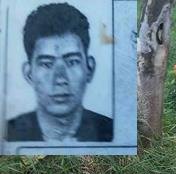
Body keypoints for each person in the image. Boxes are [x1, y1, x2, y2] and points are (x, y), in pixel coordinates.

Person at [6, 3, 113, 142]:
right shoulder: (8, 135)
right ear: (29, 73)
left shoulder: (111, 133)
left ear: (89, 68)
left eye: (72, 61)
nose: (60, 79)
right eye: (46, 64)